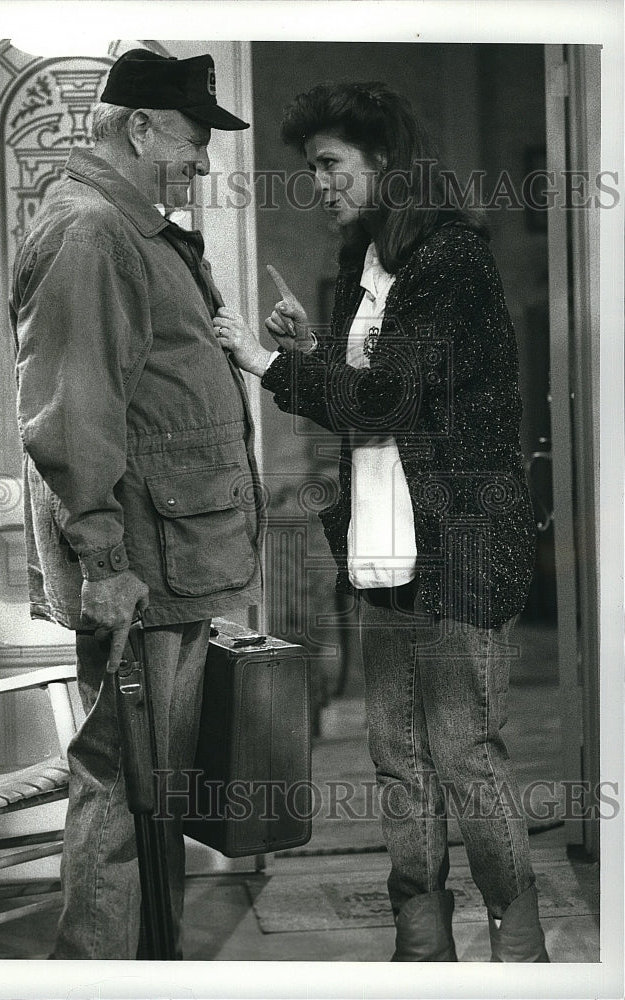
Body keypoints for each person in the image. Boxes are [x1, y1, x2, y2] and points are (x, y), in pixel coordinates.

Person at [214, 81, 550, 963]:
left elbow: (393, 393)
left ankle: (517, 948)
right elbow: (373, 402)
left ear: (384, 162)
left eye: (329, 166)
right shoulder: (357, 265)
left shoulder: (450, 259)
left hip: (461, 545)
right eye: (312, 168)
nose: (318, 184)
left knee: (464, 755)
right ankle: (421, 941)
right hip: (381, 543)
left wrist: (264, 363)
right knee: (397, 760)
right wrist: (312, 353)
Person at [10, 49, 263, 960]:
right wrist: (107, 563)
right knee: (122, 780)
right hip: (142, 562)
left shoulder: (125, 227)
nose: (201, 160)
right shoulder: (92, 233)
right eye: (192, 141)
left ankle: (145, 965)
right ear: (139, 127)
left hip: (166, 555)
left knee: (146, 779)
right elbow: (73, 412)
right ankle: (100, 973)